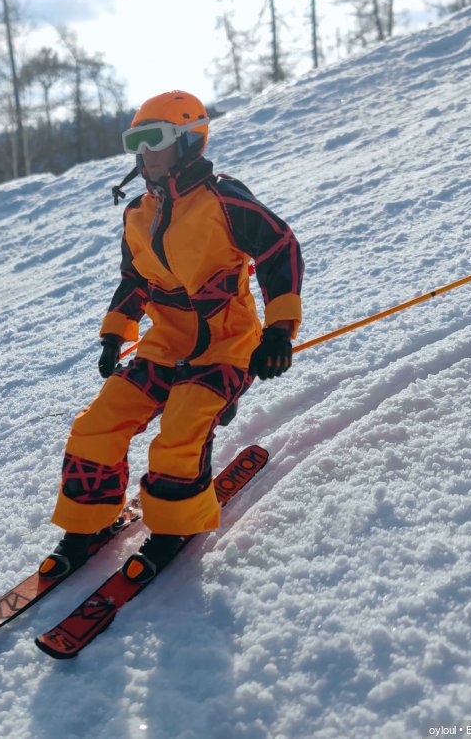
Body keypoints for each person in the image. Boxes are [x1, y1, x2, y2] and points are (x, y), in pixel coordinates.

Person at [40, 90, 304, 585]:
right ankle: (87, 524)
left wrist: (278, 331)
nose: (144, 153)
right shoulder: (138, 213)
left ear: (188, 141)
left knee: (180, 430)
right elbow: (133, 280)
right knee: (98, 423)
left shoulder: (222, 199)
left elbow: (279, 249)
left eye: (154, 139)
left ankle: (174, 525)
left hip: (226, 346)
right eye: (135, 142)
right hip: (164, 346)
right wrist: (114, 334)